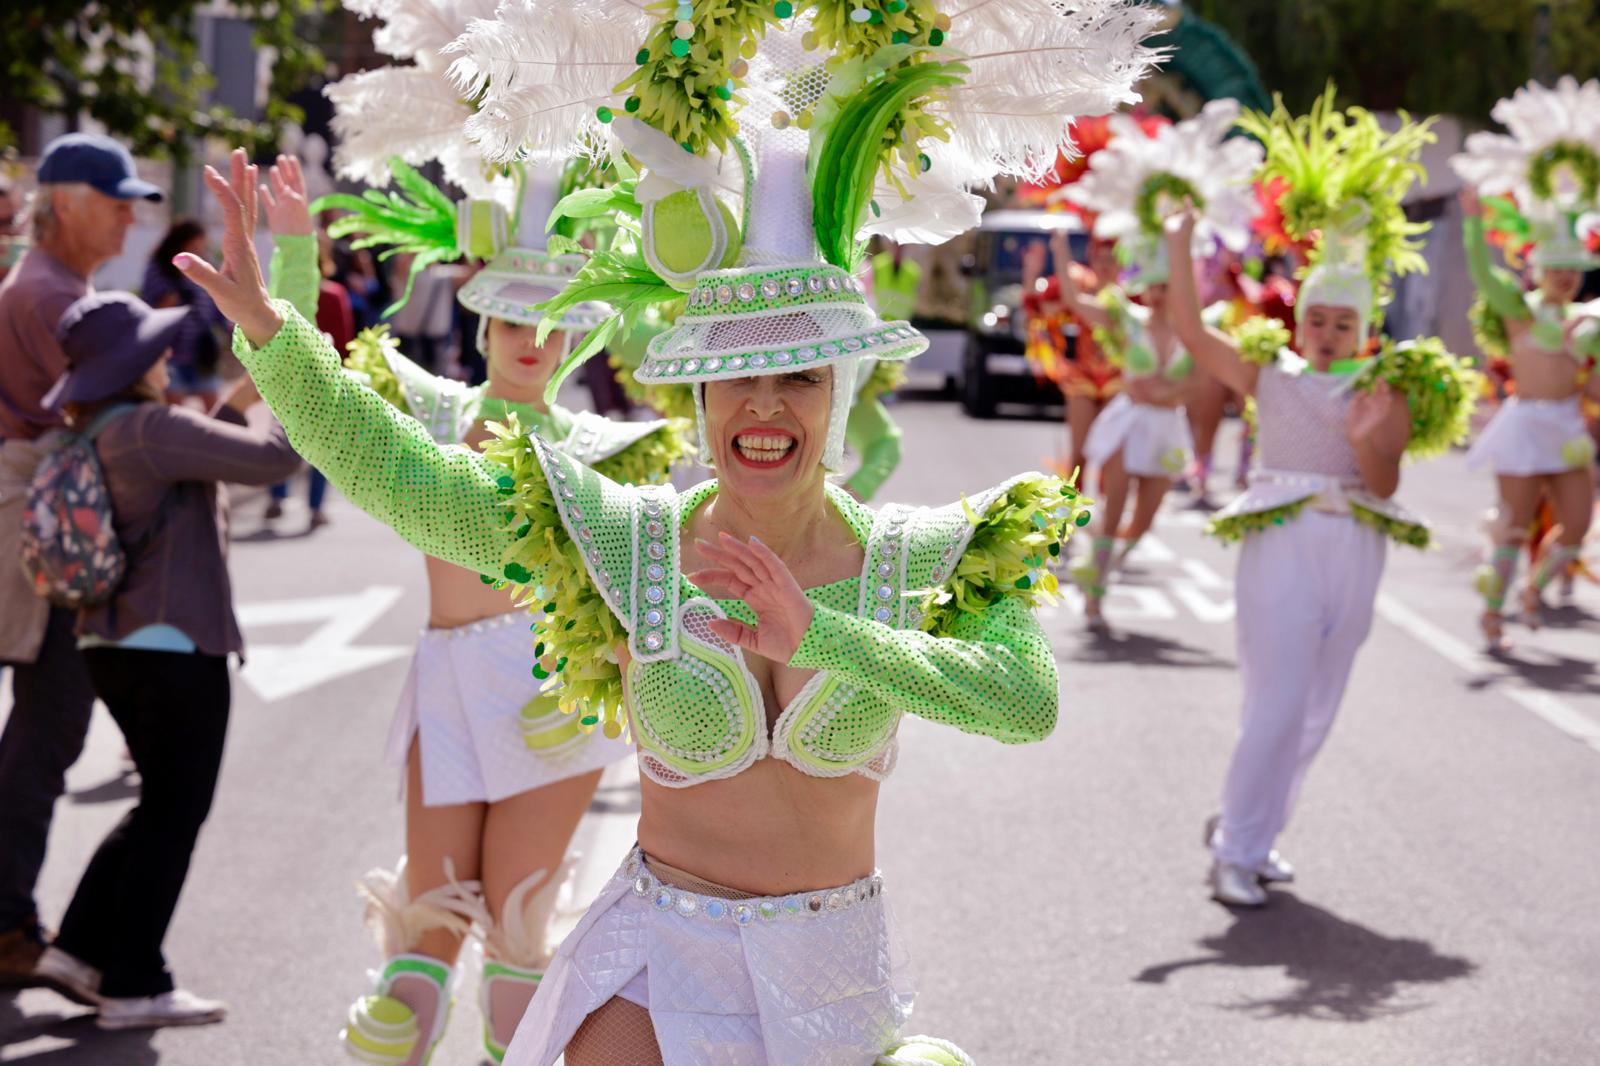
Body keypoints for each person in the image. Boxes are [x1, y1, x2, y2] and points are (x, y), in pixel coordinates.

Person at [182, 0, 1157, 1055]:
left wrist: (818, 635)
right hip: (654, 954)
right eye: (735, 377)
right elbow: (407, 477)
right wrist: (275, 333)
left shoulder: (925, 555)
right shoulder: (624, 537)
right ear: (697, 401)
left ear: (842, 392)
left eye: (797, 375)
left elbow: (1023, 704)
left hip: (830, 976)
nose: (765, 407)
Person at [288, 137, 689, 1060]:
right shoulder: (431, 413)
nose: (533, 338)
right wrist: (288, 260)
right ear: (481, 322)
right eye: (514, 316)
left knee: (515, 932)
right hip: (446, 682)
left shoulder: (601, 448)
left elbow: (651, 567)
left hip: (549, 693)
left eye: (553, 321)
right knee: (422, 948)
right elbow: (314, 391)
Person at [1166, 90, 1476, 907]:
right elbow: (1196, 339)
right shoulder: (1270, 373)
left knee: (1316, 709)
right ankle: (1234, 847)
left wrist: (1376, 433)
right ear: (1299, 321)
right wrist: (1178, 246)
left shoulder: (1387, 385)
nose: (1330, 333)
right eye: (1320, 319)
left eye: (1345, 322)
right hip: (1281, 536)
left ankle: (1256, 833)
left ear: (1365, 329)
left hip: (1356, 541)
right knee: (1275, 702)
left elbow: (1384, 482)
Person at [30, 286, 300, 1028]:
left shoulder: (100, 432)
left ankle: (79, 946)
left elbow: (210, 445)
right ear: (133, 362)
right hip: (174, 649)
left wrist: (247, 394)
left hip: (107, 643)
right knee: (176, 811)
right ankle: (135, 982)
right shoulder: (151, 427)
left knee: (158, 801)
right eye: (154, 346)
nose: (168, 354)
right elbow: (273, 458)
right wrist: (302, 382)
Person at [0, 132, 160, 986]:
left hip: (36, 526)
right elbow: (110, 419)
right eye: (116, 199)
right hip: (44, 539)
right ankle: (7, 924)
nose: (132, 215)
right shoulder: (49, 295)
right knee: (47, 730)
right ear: (62, 202)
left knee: (43, 730)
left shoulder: (53, 284)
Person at [1055, 100, 1264, 631]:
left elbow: (1198, 384)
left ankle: (1105, 564)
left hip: (1164, 425)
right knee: (1115, 501)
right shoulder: (1127, 317)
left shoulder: (1202, 326)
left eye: (1169, 283)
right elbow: (1081, 307)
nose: (1159, 290)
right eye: (1154, 282)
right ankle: (1097, 591)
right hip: (1129, 421)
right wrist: (1059, 252)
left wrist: (1165, 396)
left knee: (1145, 521)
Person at [1450, 76, 1600, 648]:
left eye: (1572, 269)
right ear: (1538, 268)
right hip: (1526, 422)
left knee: (1577, 528)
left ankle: (1535, 589)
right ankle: (1493, 612)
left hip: (1565, 425)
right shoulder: (1517, 308)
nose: (1564, 276)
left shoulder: (1590, 319)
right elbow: (1485, 274)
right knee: (1512, 525)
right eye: (1555, 267)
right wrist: (1470, 222)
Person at [1022, 233, 1123, 478]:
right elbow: (1038, 309)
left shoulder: (1130, 296)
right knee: (1079, 454)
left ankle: (1110, 511)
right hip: (1084, 377)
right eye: (1100, 260)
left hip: (1119, 379)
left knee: (1114, 455)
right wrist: (1032, 273)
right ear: (1092, 260)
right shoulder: (1081, 287)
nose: (1105, 266)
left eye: (1111, 260)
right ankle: (1069, 510)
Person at [142, 218, 227, 407]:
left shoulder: (207, 267)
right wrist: (169, 302)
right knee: (174, 408)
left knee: (214, 406)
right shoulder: (159, 269)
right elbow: (149, 309)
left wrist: (230, 327)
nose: (198, 251)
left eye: (200, 246)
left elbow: (216, 304)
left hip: (201, 353)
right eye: (193, 245)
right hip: (171, 352)